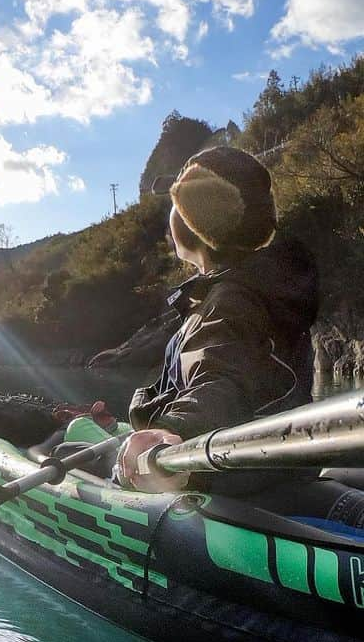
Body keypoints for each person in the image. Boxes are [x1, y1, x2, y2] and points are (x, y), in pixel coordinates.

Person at [115, 147, 318, 493]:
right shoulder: (249, 290)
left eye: (175, 207)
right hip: (269, 471)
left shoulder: (231, 300)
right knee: (76, 436)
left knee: (63, 446)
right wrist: (149, 415)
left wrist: (174, 429)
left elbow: (223, 382)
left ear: (194, 221)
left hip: (228, 480)